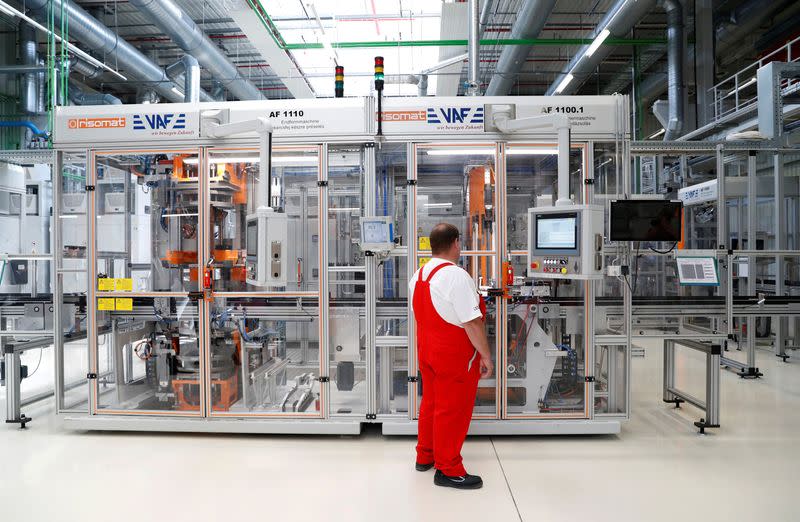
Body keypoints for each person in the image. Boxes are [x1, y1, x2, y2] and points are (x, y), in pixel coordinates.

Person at [408, 222, 494, 490]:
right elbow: (472, 323)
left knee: (431, 404)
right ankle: (448, 469)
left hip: (428, 352)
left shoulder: (420, 274)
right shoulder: (456, 276)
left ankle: (426, 455)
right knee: (452, 411)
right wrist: (486, 356)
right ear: (456, 242)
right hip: (454, 355)